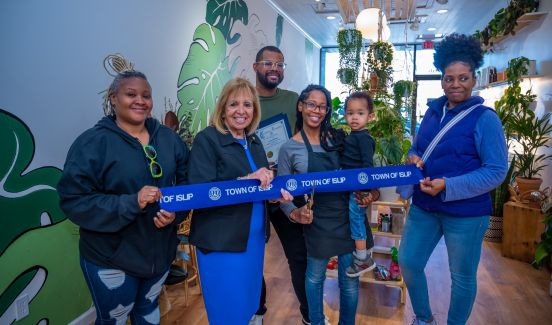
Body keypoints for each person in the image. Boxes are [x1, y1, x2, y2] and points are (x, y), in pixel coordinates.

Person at [57, 70, 190, 324]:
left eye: (146, 95)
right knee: (113, 319)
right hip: (110, 258)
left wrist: (176, 214)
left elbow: (187, 182)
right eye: (131, 94)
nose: (140, 100)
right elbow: (73, 200)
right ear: (113, 98)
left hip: (159, 254)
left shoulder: (168, 139)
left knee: (148, 311)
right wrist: (132, 202)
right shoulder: (93, 143)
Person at [398, 34, 508, 325]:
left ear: (474, 79)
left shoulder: (485, 119)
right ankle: (424, 319)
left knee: (461, 276)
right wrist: (412, 157)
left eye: (463, 78)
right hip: (424, 206)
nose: (455, 84)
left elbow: (496, 170)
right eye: (449, 78)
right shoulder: (433, 113)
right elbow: (417, 147)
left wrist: (448, 185)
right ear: (442, 79)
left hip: (466, 214)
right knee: (408, 262)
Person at [187, 77, 292, 325]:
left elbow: (261, 186)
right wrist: (246, 179)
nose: (241, 111)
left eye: (248, 105)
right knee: (227, 310)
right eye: (234, 104)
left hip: (252, 240)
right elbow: (200, 191)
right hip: (221, 242)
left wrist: (274, 194)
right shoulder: (207, 140)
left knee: (247, 303)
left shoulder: (254, 141)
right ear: (223, 109)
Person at [278, 84, 360, 325]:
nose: (317, 110)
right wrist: (294, 213)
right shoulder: (289, 148)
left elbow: (358, 171)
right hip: (317, 221)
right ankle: (316, 321)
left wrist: (369, 192)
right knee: (314, 278)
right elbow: (283, 195)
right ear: (301, 106)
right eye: (312, 104)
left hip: (346, 217)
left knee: (349, 281)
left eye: (323, 106)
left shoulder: (338, 139)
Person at [251, 46, 310, 325]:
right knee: (252, 257)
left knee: (299, 255)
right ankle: (257, 311)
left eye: (280, 64)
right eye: (268, 63)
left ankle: (310, 315)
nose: (274, 68)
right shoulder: (244, 100)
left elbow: (305, 137)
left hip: (286, 189)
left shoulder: (292, 100)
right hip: (253, 192)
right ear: (255, 67)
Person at [340, 91, 380, 277]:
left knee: (356, 220)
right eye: (350, 113)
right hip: (351, 186)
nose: (354, 117)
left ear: (370, 116)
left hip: (358, 189)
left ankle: (363, 259)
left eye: (360, 113)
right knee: (354, 219)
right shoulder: (353, 136)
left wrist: (364, 190)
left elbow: (367, 165)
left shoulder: (364, 138)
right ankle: (362, 255)